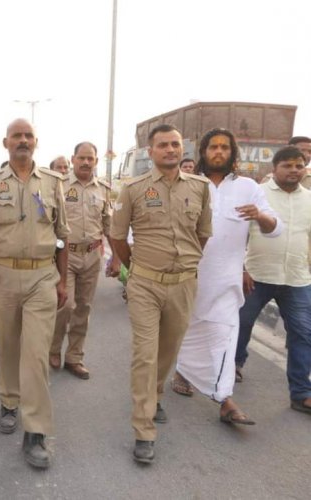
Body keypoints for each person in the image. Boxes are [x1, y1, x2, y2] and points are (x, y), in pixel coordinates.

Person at [0, 118, 70, 469]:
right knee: (8, 345)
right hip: (4, 275)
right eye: (17, 136)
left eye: (28, 136)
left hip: (42, 275)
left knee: (36, 354)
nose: (23, 141)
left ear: (35, 142)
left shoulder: (54, 183)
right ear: (5, 142)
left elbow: (62, 236)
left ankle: (36, 431)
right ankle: (9, 402)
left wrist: (62, 281)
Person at [110, 124, 212, 464]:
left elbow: (203, 234)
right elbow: (118, 237)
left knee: (169, 350)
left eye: (175, 145)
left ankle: (154, 393)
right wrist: (135, 269)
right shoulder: (134, 189)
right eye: (163, 145)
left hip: (183, 283)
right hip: (145, 285)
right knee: (145, 353)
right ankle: (144, 428)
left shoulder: (200, 188)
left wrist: (185, 264)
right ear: (150, 152)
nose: (170, 150)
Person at [172, 128, 279, 425]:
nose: (218, 152)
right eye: (213, 147)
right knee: (186, 331)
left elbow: (274, 227)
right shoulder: (188, 185)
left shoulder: (248, 187)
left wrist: (259, 215)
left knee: (224, 336)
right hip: (187, 278)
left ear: (232, 153)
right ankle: (183, 369)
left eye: (224, 147)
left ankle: (224, 398)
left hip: (226, 282)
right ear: (203, 152)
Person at [235, 146, 311, 415]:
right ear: (274, 168)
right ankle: (234, 364)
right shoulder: (259, 195)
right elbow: (240, 234)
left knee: (303, 334)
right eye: (287, 165)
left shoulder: (309, 199)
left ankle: (301, 392)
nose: (294, 170)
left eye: (299, 165)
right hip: (257, 274)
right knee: (242, 322)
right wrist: (242, 268)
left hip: (297, 278)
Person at [50, 142, 119, 377]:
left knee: (84, 308)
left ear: (96, 161)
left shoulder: (104, 190)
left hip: (92, 255)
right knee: (65, 305)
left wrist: (116, 259)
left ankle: (74, 356)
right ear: (73, 159)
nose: (86, 162)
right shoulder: (59, 185)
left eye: (91, 158)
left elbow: (110, 226)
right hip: (65, 255)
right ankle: (53, 348)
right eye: (82, 158)